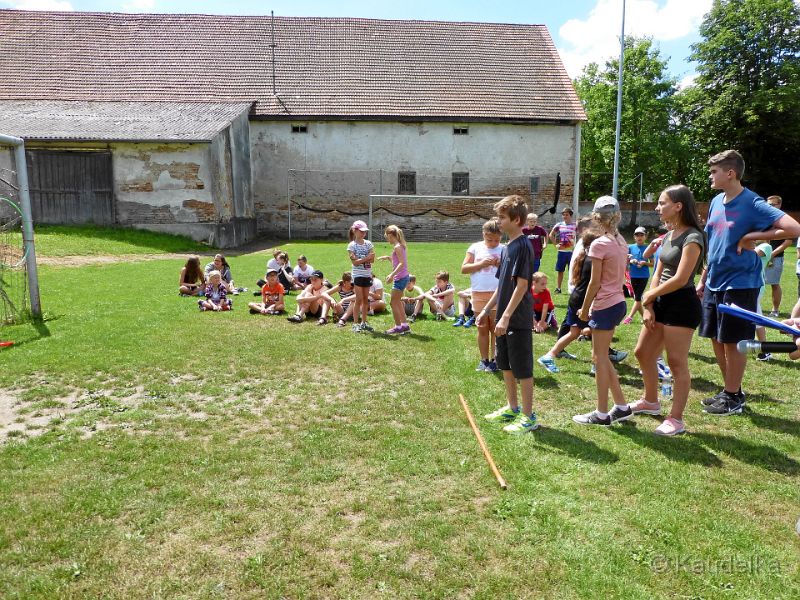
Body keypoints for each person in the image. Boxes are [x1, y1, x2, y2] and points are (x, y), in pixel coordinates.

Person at [697, 150, 800, 416]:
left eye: (714, 172)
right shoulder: (716, 201)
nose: (710, 176)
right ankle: (731, 391)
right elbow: (715, 243)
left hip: (740, 283)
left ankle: (733, 397)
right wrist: (704, 278)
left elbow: (793, 228)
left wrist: (750, 237)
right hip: (715, 281)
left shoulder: (752, 202)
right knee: (716, 339)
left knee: (733, 341)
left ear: (730, 173)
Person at [628, 185, 706, 436]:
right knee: (643, 353)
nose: (657, 207)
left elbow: (682, 278)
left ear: (678, 206)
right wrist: (649, 304)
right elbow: (657, 273)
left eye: (662, 203)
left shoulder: (693, 237)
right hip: (659, 301)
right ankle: (651, 401)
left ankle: (676, 419)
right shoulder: (667, 235)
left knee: (676, 362)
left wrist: (650, 295)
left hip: (681, 305)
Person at [481, 195, 539, 434]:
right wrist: (487, 309)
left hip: (517, 319)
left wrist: (505, 317)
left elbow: (522, 286)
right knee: (505, 364)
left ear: (516, 220)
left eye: (502, 217)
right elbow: (501, 285)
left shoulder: (523, 246)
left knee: (522, 368)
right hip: (502, 318)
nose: (499, 221)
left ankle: (529, 416)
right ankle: (512, 407)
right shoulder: (507, 248)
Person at [572, 196, 630, 426]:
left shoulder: (599, 244)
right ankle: (622, 406)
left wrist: (585, 309)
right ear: (618, 216)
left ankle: (602, 413)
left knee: (599, 358)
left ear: (596, 218)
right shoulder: (621, 241)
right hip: (618, 302)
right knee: (603, 357)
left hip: (606, 304)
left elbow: (594, 283)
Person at [537, 227, 603, 373]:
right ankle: (596, 366)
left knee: (575, 332)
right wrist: (589, 306)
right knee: (596, 331)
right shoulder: (594, 260)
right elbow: (595, 284)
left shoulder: (585, 256)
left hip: (577, 298)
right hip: (584, 300)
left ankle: (548, 356)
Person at [462, 219, 504, 371]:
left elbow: (511, 272)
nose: (493, 243)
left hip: (497, 294)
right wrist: (480, 264)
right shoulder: (475, 247)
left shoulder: (504, 249)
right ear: (483, 235)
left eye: (496, 240)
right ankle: (484, 360)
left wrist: (500, 264)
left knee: (495, 328)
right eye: (489, 240)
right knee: (482, 327)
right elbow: (464, 268)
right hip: (478, 293)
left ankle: (495, 360)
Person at [378, 224, 411, 335]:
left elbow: (401, 263)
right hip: (403, 277)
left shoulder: (397, 247)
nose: (387, 239)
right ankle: (405, 325)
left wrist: (392, 275)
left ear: (391, 236)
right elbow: (398, 262)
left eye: (387, 237)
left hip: (400, 278)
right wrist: (388, 258)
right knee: (398, 302)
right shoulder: (400, 246)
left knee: (393, 303)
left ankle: (398, 327)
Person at [763, 196, 792, 317]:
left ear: (779, 205)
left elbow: (788, 241)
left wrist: (772, 254)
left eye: (772, 204)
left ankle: (775, 310)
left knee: (774, 283)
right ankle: (755, 307)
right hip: (762, 255)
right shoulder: (765, 218)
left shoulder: (785, 220)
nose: (769, 207)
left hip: (776, 257)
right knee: (755, 283)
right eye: (767, 204)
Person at [347, 220, 376, 332]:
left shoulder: (368, 243)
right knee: (358, 299)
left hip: (367, 274)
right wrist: (366, 258)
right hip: (357, 275)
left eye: (365, 231)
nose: (364, 233)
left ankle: (364, 322)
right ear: (355, 231)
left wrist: (362, 259)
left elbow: (372, 259)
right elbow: (354, 262)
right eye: (361, 231)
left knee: (365, 300)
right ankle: (355, 324)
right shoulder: (351, 245)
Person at [623, 227, 652, 324]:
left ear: (645, 236)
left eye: (641, 235)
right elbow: (626, 261)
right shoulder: (630, 247)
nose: (639, 237)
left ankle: (629, 317)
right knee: (636, 297)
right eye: (637, 235)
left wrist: (644, 263)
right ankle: (645, 317)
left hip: (644, 276)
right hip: (633, 275)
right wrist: (631, 260)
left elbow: (652, 263)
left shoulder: (648, 248)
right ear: (634, 237)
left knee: (638, 297)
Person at [753, 241, 773, 361]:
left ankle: (765, 350)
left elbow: (750, 255)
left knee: (757, 319)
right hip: (748, 287)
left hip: (756, 288)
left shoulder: (766, 247)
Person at [549, 207, 576, 294]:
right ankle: (558, 288)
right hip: (562, 252)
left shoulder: (575, 225)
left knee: (572, 271)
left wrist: (577, 246)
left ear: (571, 215)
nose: (564, 216)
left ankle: (573, 288)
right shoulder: (559, 225)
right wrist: (556, 245)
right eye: (563, 215)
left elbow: (580, 235)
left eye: (566, 215)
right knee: (560, 270)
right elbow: (551, 235)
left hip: (572, 252)